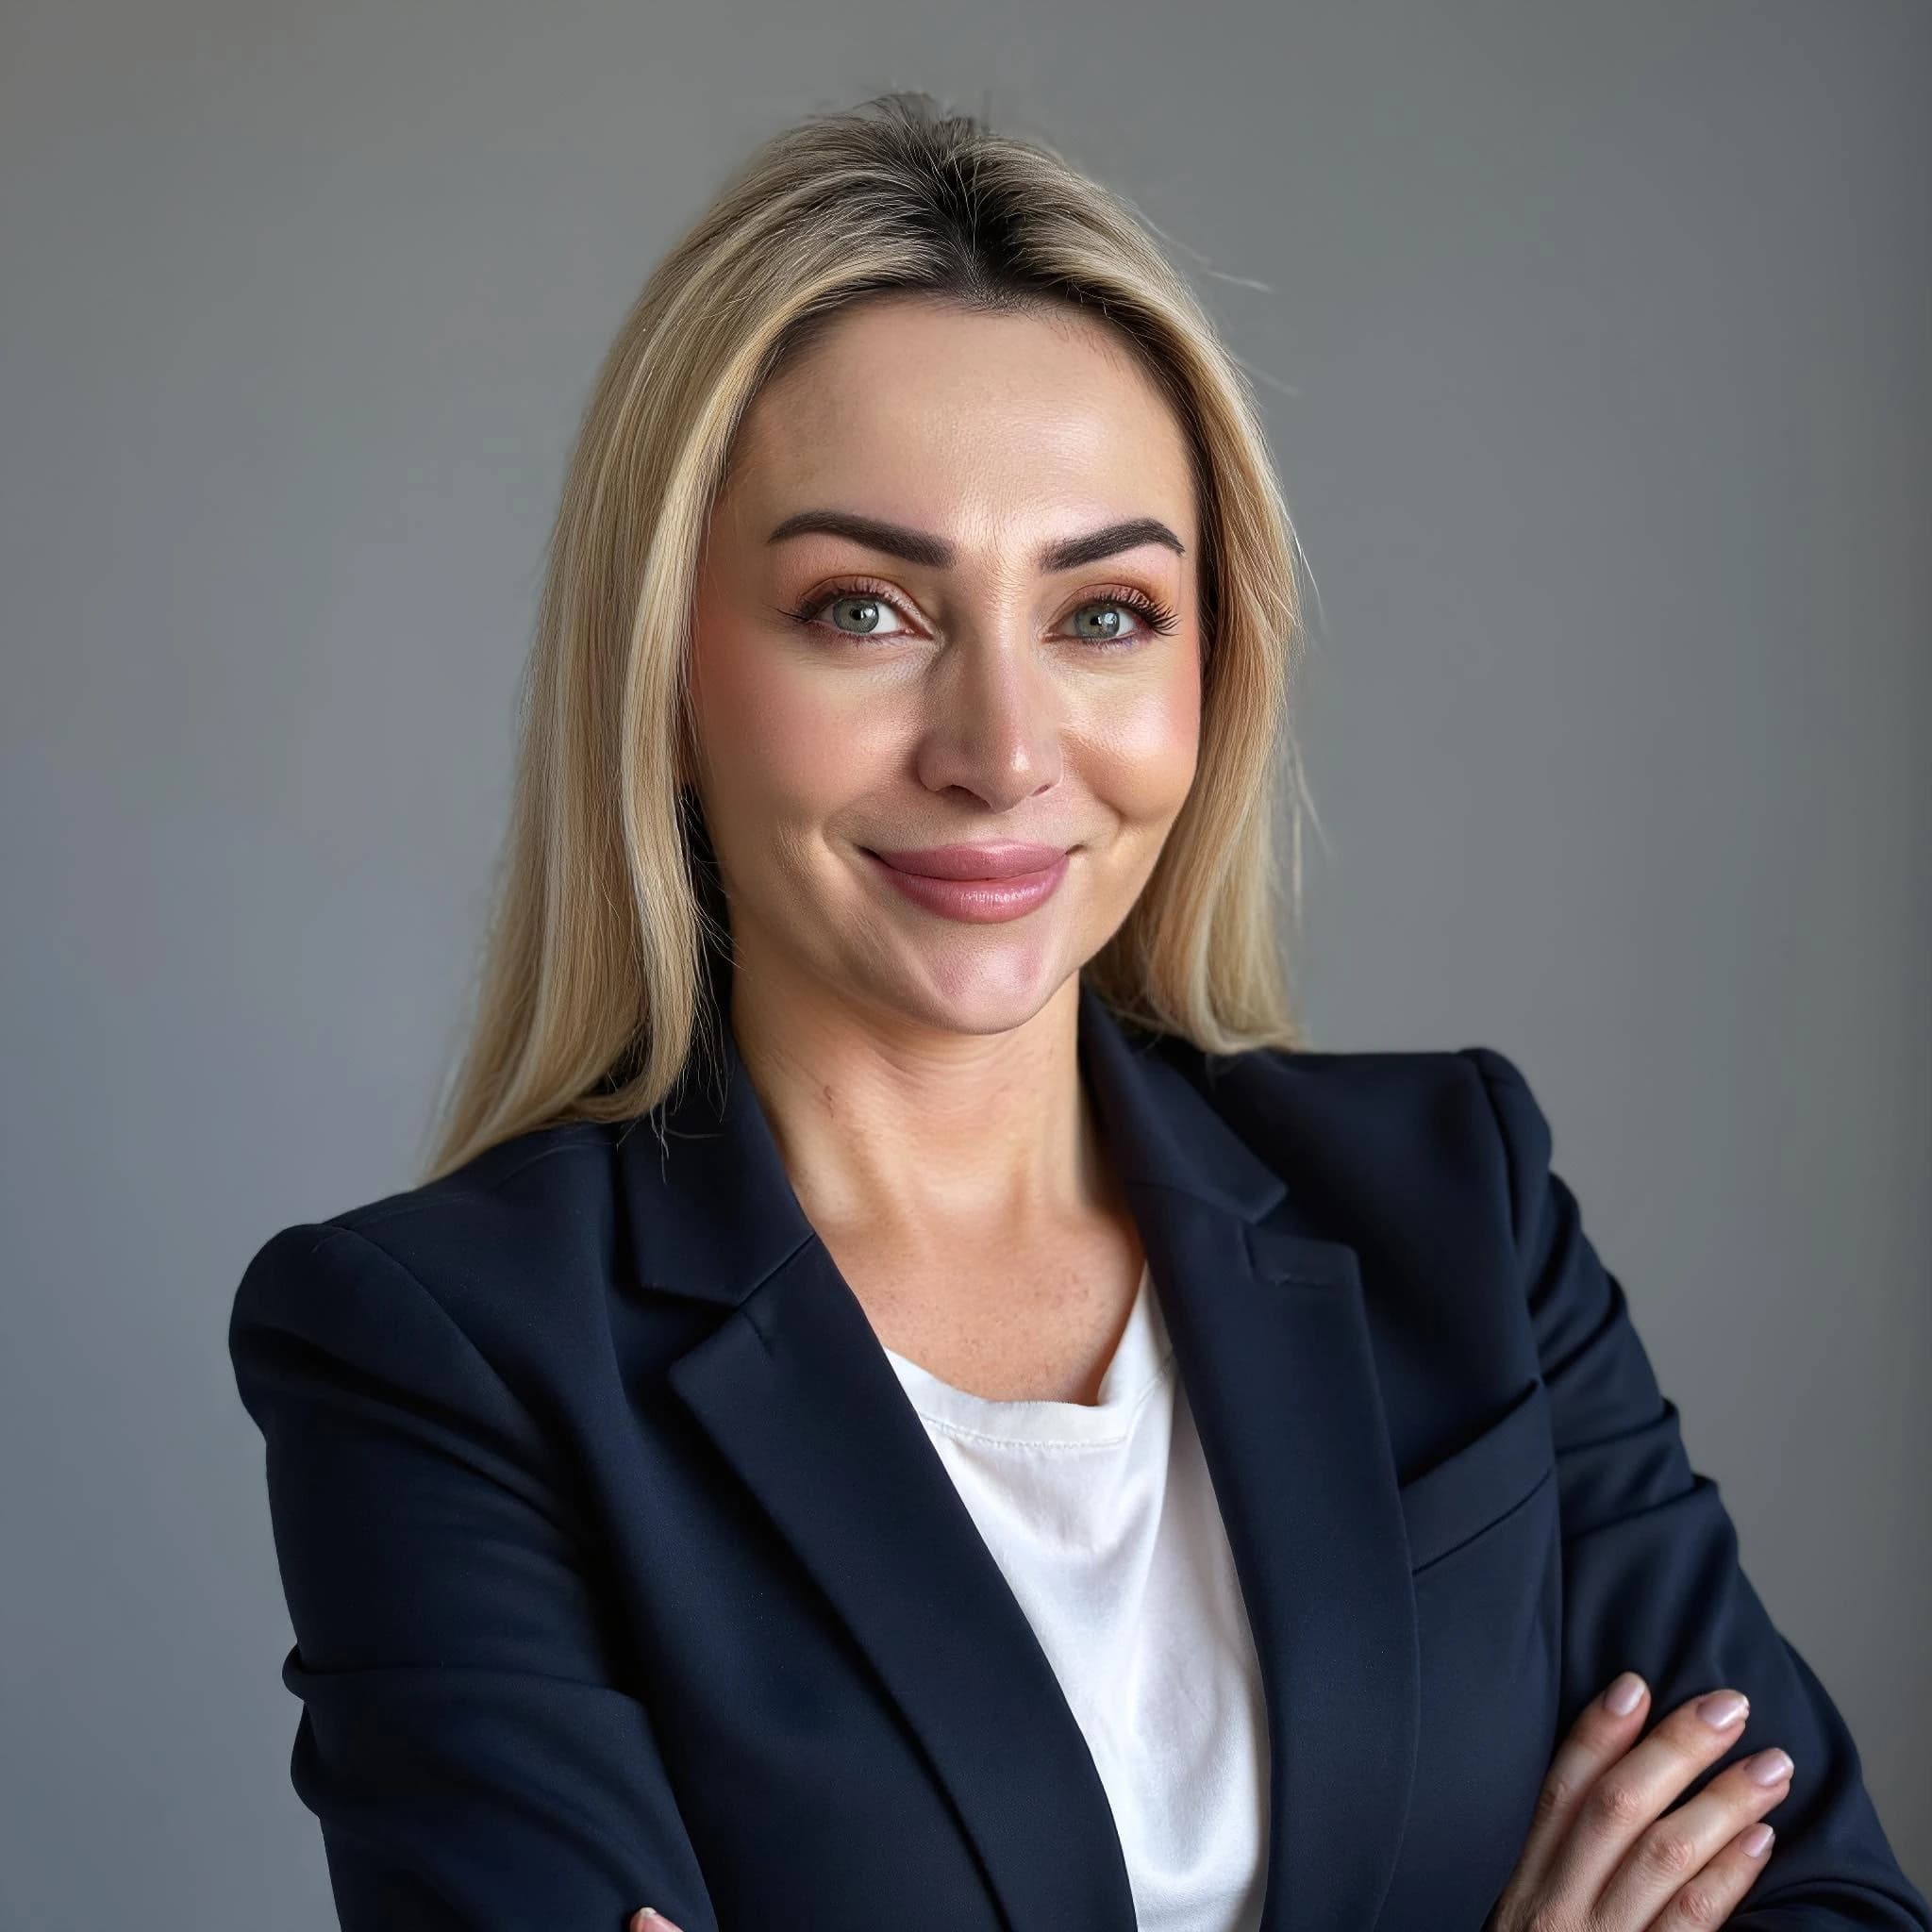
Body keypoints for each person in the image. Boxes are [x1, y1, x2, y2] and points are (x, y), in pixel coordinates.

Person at [227, 90, 1928, 1932]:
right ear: (669, 677)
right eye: (864, 609)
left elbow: (1825, 1901)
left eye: (1104, 613)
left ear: (1213, 672)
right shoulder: (446, 1354)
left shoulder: (1459, 1201)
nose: (1002, 750)